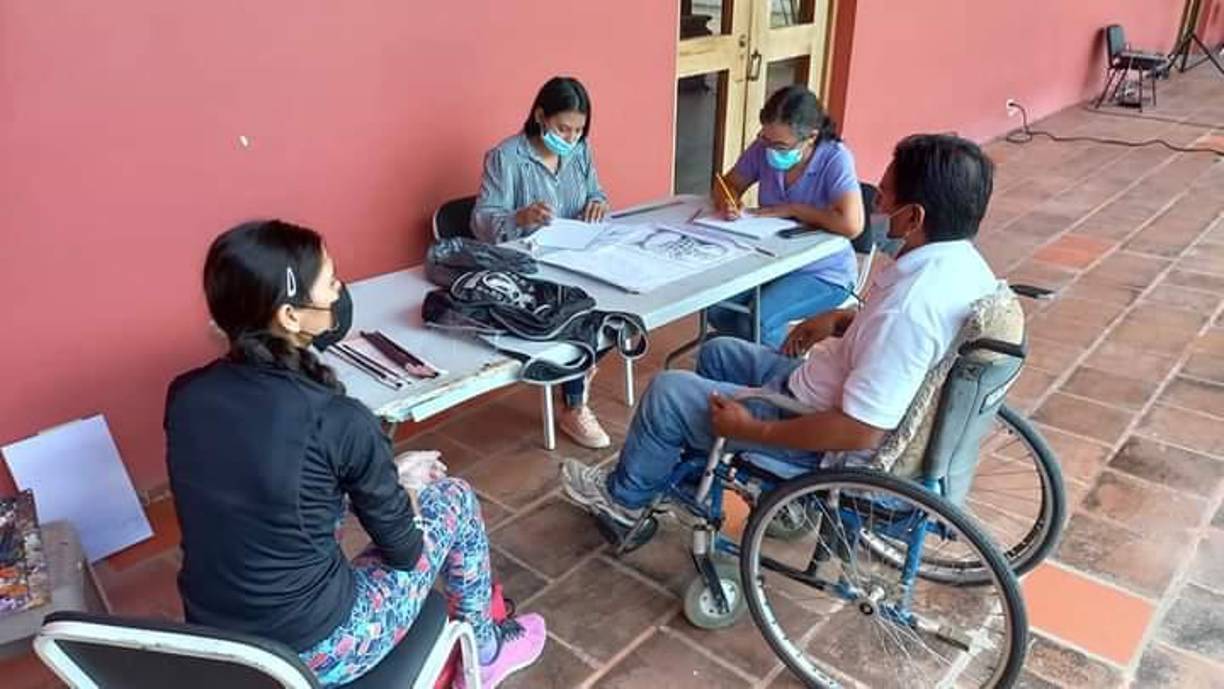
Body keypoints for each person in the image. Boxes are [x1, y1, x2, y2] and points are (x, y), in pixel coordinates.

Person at [165, 220, 545, 688]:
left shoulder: (185, 396)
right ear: (289, 316)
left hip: (213, 641)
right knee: (455, 500)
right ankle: (486, 651)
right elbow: (405, 552)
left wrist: (380, 474)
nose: (339, 292)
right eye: (331, 282)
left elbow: (267, 489)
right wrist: (399, 488)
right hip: (313, 653)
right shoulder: (339, 419)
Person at [561, 134, 998, 525]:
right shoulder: (963, 268)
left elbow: (861, 430)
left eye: (885, 195)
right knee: (721, 352)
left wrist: (756, 430)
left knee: (668, 392)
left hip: (818, 435)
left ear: (914, 217)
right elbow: (893, 347)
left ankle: (625, 501)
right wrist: (839, 321)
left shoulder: (910, 309)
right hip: (821, 385)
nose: (878, 205)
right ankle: (691, 473)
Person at [471, 75, 612, 449]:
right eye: (562, 128)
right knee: (578, 310)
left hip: (575, 256)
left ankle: (578, 367)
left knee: (622, 306)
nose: (569, 139)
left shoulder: (580, 151)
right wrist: (520, 218)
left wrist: (598, 204)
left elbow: (596, 192)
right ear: (540, 116)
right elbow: (482, 220)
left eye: (578, 131)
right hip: (527, 266)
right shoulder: (506, 157)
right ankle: (575, 402)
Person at [706, 85, 865, 350]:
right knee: (717, 307)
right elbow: (729, 183)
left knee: (761, 318)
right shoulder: (764, 147)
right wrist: (728, 201)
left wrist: (794, 209)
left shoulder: (835, 159)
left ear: (811, 137)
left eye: (779, 145)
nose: (769, 150)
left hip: (824, 272)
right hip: (771, 261)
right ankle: (749, 354)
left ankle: (779, 376)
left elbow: (852, 224)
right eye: (765, 139)